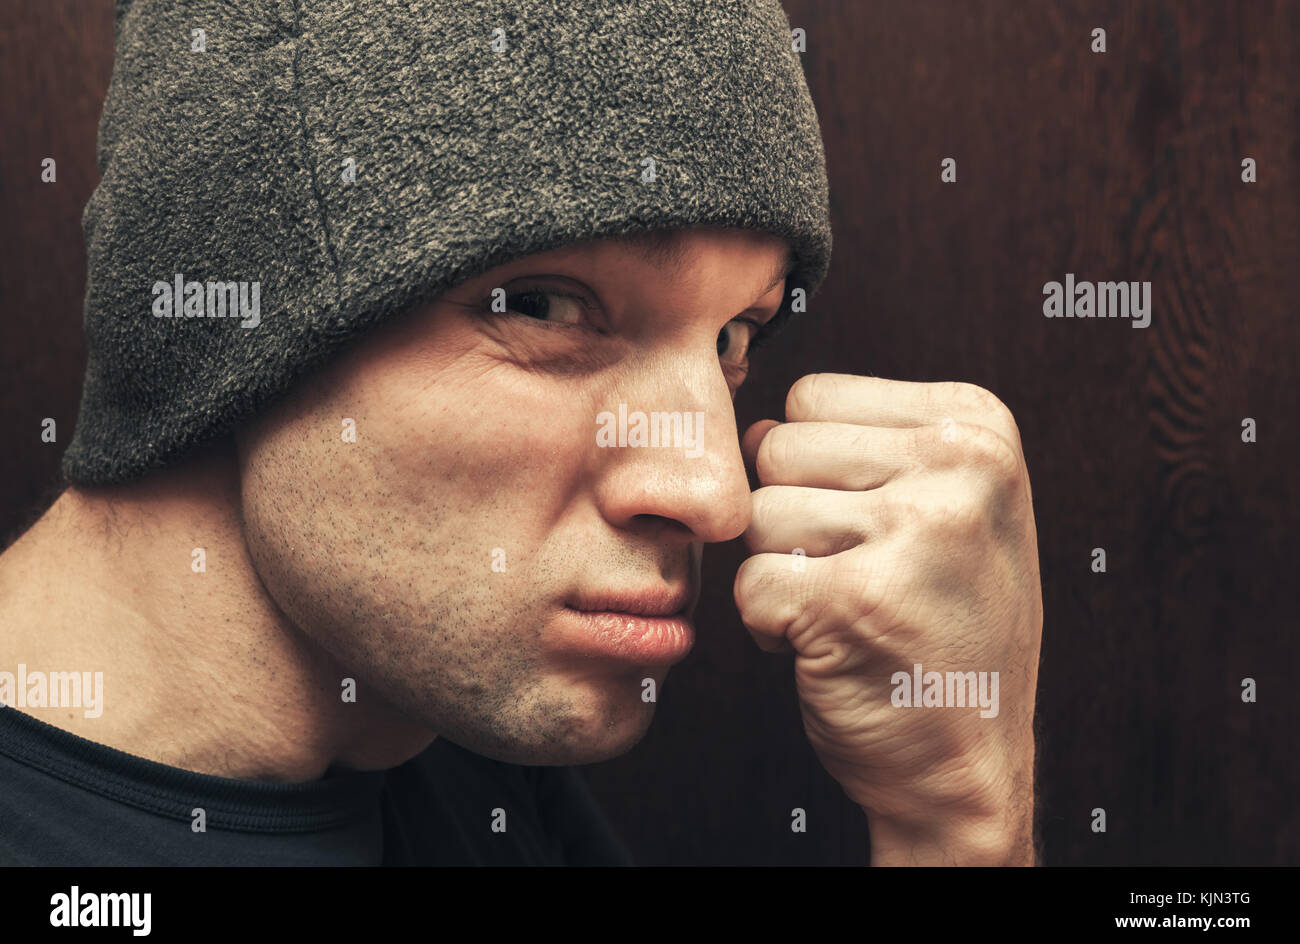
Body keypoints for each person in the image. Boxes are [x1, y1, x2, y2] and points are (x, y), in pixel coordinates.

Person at [0, 0, 1042, 865]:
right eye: (542, 306)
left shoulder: (452, 752)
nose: (717, 491)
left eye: (735, 334)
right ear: (220, 329)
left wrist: (954, 825)